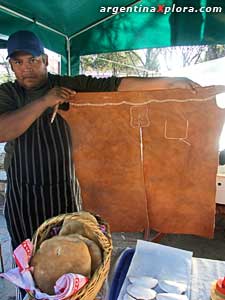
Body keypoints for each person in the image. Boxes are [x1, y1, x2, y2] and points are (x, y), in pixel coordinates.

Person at [0, 30, 198, 258]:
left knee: (68, 253)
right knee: (28, 256)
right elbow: (4, 130)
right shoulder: (7, 93)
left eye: (32, 60)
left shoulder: (67, 84)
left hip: (63, 187)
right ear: (11, 66)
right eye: (18, 62)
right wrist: (46, 100)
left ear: (44, 61)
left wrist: (171, 82)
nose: (26, 68)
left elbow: (113, 85)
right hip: (23, 191)